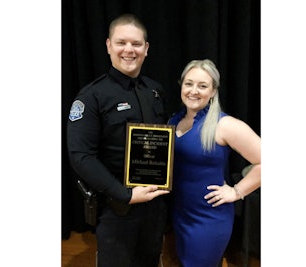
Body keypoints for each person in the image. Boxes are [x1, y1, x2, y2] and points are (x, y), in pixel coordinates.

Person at [67, 13, 170, 267]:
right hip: (117, 209)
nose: (129, 50)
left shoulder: (155, 91)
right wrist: (124, 194)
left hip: (154, 208)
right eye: (121, 42)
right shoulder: (91, 97)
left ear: (146, 49)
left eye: (136, 44)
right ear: (108, 45)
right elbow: (81, 157)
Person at [168, 59, 261, 267]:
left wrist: (236, 192)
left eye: (202, 86)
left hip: (209, 218)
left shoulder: (225, 125)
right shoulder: (174, 121)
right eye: (189, 83)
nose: (194, 91)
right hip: (180, 214)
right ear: (181, 86)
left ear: (213, 91)